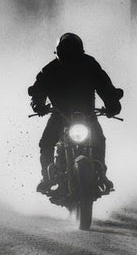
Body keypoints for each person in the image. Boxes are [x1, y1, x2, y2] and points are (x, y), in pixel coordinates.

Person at [28, 33, 123, 194]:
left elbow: (104, 85)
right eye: (66, 51)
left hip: (87, 116)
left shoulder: (90, 65)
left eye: (72, 51)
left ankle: (101, 173)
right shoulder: (50, 70)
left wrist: (112, 103)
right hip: (60, 116)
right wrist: (38, 105)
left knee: (99, 139)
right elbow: (37, 90)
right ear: (59, 52)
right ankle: (47, 177)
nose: (70, 55)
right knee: (46, 142)